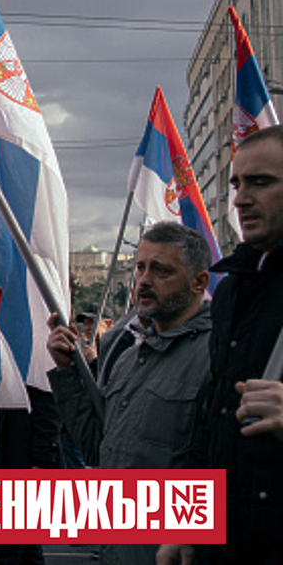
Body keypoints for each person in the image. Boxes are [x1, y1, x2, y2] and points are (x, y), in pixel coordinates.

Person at [49, 222, 212, 565]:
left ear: (199, 282)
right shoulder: (127, 357)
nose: (144, 281)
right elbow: (99, 447)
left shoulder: (217, 358)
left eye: (161, 270)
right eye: (140, 267)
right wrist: (67, 372)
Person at [161, 125, 283, 565]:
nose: (241, 199)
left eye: (262, 182)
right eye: (237, 183)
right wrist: (186, 525)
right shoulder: (234, 289)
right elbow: (212, 422)